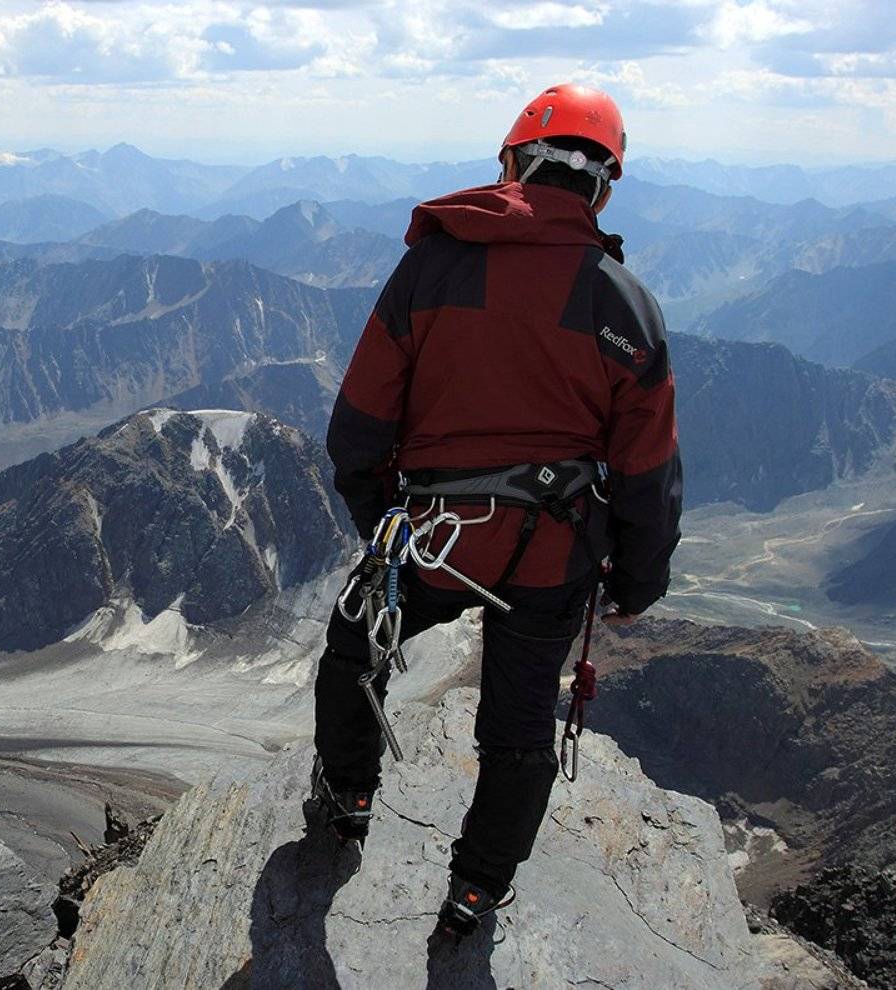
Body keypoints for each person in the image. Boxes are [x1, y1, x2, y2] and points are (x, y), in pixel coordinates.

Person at [310, 83, 683, 946]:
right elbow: (648, 468)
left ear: (513, 162)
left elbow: (360, 420)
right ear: (601, 189)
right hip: (550, 555)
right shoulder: (623, 304)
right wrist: (635, 579)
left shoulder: (433, 265)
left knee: (354, 647)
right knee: (517, 728)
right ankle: (476, 890)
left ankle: (347, 798)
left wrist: (382, 521)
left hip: (434, 539)